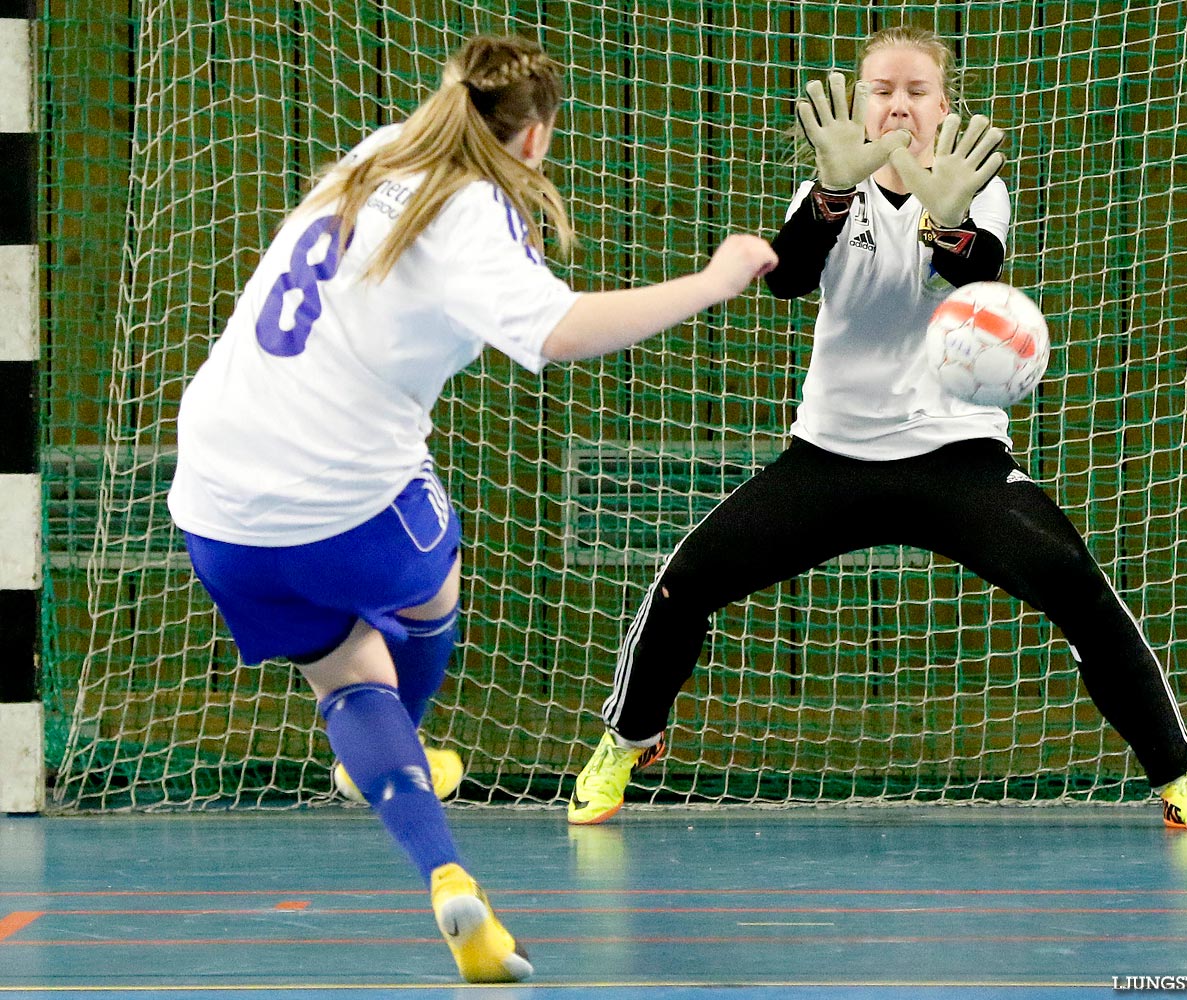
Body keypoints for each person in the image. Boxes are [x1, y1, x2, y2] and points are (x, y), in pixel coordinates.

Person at [167, 35, 776, 984]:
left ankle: (443, 862)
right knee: (433, 581)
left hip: (213, 495)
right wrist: (715, 277)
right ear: (533, 140)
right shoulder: (469, 217)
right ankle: (402, 742)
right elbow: (559, 331)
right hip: (342, 500)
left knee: (338, 671)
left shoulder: (373, 154)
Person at [566, 25, 1187, 834]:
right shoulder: (829, 183)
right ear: (859, 101)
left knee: (1076, 588)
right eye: (882, 89)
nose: (898, 103)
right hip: (831, 456)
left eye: (916, 91)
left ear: (941, 104)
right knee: (683, 583)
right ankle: (628, 741)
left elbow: (974, 270)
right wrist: (827, 195)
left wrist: (944, 217)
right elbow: (790, 277)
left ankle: (1179, 777)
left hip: (955, 454)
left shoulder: (972, 185)